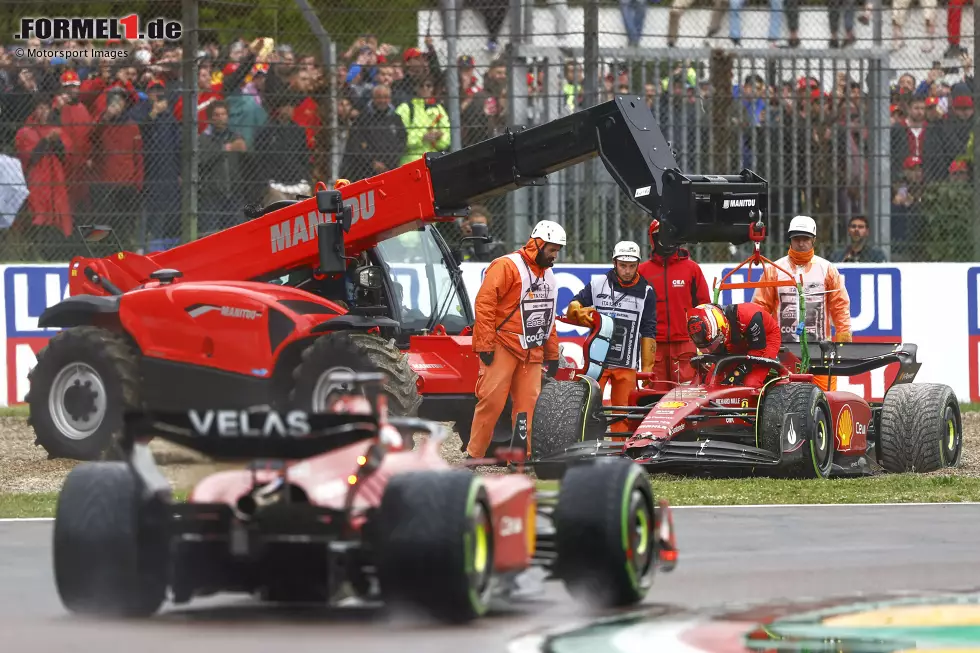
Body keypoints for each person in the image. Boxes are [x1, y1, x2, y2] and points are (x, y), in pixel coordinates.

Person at [468, 220, 564, 459]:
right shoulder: (506, 266)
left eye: (557, 251)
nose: (554, 256)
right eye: (551, 250)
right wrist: (485, 344)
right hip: (502, 345)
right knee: (491, 402)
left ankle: (522, 459)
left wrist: (552, 355)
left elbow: (548, 318)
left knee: (528, 406)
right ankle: (474, 455)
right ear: (538, 244)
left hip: (532, 350)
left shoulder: (549, 278)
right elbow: (485, 304)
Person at [565, 241, 658, 433]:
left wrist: (648, 366)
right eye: (623, 265)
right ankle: (585, 452)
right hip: (597, 362)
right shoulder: (598, 283)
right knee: (586, 410)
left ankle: (620, 456)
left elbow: (648, 329)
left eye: (632, 266)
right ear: (614, 263)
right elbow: (574, 303)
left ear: (638, 264)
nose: (627, 271)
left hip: (627, 364)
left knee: (623, 414)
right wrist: (576, 310)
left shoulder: (647, 292)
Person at [751, 215, 852, 391]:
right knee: (782, 396)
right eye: (796, 238)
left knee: (825, 398)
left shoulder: (826, 269)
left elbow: (839, 304)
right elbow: (761, 307)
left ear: (813, 239)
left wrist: (843, 334)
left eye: (805, 238)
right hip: (783, 351)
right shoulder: (775, 269)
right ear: (790, 239)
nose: (801, 243)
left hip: (821, 349)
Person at [638, 218, 711, 386]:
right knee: (653, 397)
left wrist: (704, 343)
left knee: (687, 397)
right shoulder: (642, 271)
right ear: (652, 239)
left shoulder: (692, 269)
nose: (665, 239)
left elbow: (704, 306)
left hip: (686, 345)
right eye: (660, 235)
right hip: (653, 346)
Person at [686, 302, 781, 388]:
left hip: (766, 340)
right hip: (738, 339)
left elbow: (757, 352)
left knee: (750, 383)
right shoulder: (718, 332)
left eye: (712, 346)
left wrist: (738, 372)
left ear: (722, 329)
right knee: (710, 380)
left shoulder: (750, 316)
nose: (710, 350)